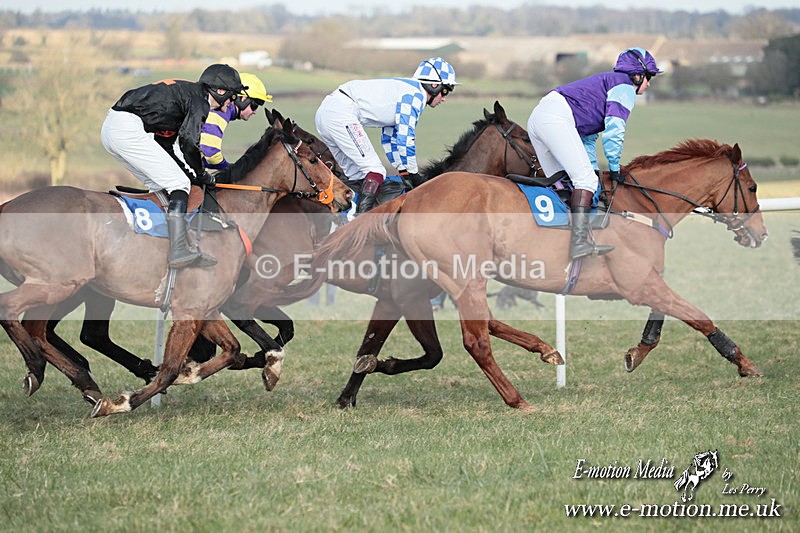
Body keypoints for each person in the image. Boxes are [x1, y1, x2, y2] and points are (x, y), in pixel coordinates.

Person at [101, 64, 245, 268]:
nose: (232, 102)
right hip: (127, 129)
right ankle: (178, 250)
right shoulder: (200, 102)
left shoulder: (187, 95)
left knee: (166, 183)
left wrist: (192, 175)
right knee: (178, 184)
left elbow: (166, 144)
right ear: (220, 91)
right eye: (232, 96)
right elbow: (189, 143)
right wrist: (201, 174)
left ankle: (158, 243)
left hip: (115, 128)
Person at [527, 47, 662, 259]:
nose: (649, 83)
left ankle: (554, 241)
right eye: (649, 77)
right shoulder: (624, 87)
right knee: (586, 182)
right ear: (637, 75)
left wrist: (594, 170)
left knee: (563, 183)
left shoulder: (607, 83)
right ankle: (578, 243)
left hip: (540, 117)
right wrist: (615, 168)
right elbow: (614, 131)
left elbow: (587, 139)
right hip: (555, 119)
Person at [315, 57, 458, 214]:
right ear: (434, 85)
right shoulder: (415, 96)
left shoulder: (406, 90)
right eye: (445, 91)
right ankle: (360, 220)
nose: (444, 98)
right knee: (376, 170)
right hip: (341, 113)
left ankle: (342, 216)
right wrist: (414, 173)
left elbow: (389, 139)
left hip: (326, 112)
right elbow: (406, 137)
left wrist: (404, 170)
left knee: (357, 175)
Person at [200, 72, 273, 171]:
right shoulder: (220, 110)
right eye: (254, 106)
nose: (254, 112)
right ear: (243, 99)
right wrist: (231, 170)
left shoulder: (222, 109)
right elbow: (210, 152)